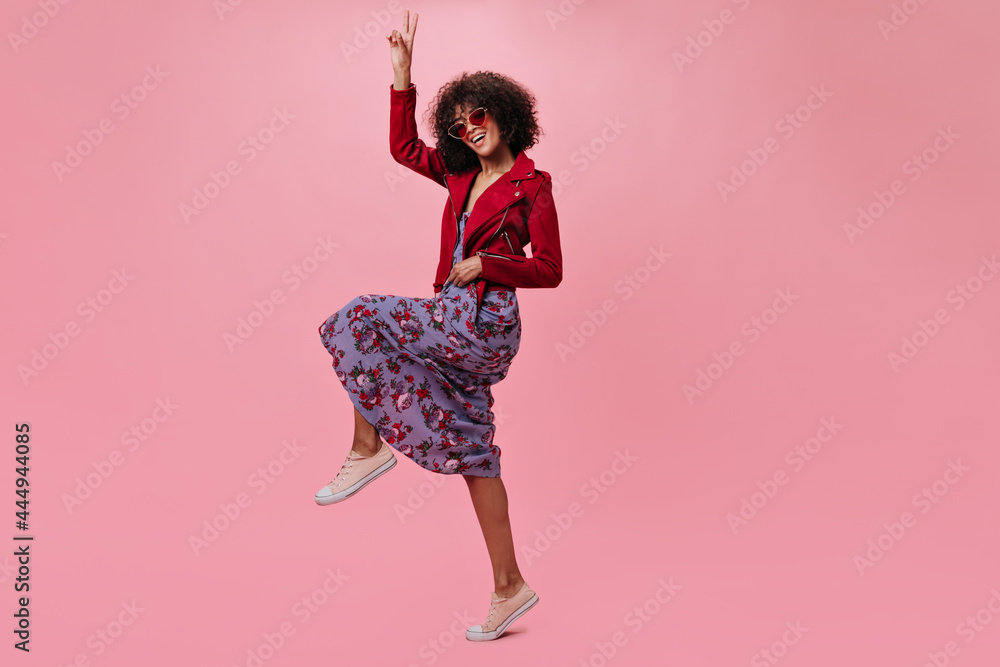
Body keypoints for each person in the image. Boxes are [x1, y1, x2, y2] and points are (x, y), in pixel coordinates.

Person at [315, 9, 562, 641]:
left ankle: (368, 449)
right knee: (478, 453)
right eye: (459, 122)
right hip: (450, 318)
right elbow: (403, 149)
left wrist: (488, 263)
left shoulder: (532, 185)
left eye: (479, 115)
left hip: (483, 323)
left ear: (506, 115)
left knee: (360, 316)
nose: (469, 127)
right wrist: (402, 76)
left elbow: (551, 269)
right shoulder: (458, 175)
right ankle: (510, 588)